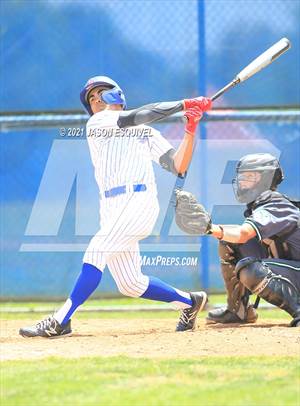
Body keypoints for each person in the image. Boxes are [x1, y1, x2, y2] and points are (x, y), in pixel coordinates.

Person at [19, 75, 212, 338]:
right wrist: (184, 104)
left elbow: (178, 165)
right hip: (111, 207)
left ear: (116, 93)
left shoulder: (147, 133)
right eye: (91, 97)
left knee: (96, 250)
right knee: (130, 283)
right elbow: (136, 117)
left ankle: (61, 320)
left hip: (140, 202)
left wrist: (190, 129)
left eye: (100, 92)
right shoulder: (98, 123)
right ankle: (191, 302)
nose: (95, 98)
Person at [175, 153, 300, 327]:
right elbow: (237, 236)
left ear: (266, 178)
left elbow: (243, 233)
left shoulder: (276, 203)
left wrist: (210, 228)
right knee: (230, 241)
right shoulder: (261, 205)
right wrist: (213, 227)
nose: (242, 181)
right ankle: (238, 310)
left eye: (250, 176)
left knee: (250, 269)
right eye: (242, 176)